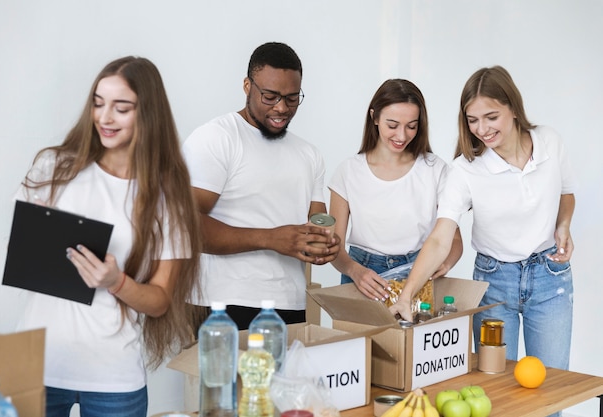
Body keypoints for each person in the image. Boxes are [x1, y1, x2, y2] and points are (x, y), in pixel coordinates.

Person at [13, 56, 203, 417]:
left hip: (113, 377)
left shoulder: (167, 198)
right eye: (98, 103)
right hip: (37, 366)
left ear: (148, 113)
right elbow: (23, 256)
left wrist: (116, 281)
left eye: (121, 108)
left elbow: (160, 300)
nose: (104, 117)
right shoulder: (54, 168)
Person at [389, 66, 576, 377]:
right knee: (497, 384)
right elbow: (440, 237)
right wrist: (407, 293)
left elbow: (566, 193)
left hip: (550, 277)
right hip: (495, 280)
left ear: (513, 108)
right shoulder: (465, 169)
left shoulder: (549, 142)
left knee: (550, 386)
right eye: (472, 120)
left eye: (491, 117)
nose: (482, 129)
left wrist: (564, 225)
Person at [182, 42, 340, 329]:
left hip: (290, 304)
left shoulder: (309, 154)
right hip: (221, 303)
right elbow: (185, 226)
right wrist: (271, 239)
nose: (281, 107)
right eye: (270, 96)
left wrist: (321, 246)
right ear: (247, 86)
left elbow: (314, 225)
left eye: (292, 99)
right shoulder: (217, 138)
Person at [328, 79, 463, 302]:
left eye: (411, 126)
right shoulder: (348, 171)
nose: (402, 136)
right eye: (392, 125)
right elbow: (334, 246)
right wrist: (354, 270)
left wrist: (445, 263)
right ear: (374, 118)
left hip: (418, 271)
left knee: (410, 338)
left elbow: (454, 240)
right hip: (363, 276)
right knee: (359, 338)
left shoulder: (435, 170)